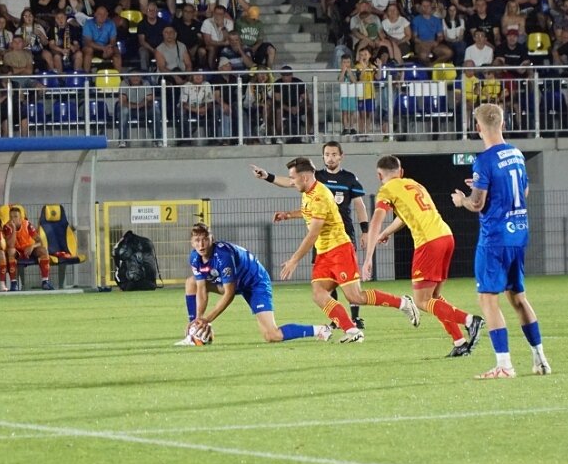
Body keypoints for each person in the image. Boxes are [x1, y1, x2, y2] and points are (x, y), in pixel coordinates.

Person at [271, 157, 420, 343]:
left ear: (305, 178)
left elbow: (313, 234)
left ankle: (403, 303)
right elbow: (309, 212)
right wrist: (288, 215)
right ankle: (351, 330)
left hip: (339, 249)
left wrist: (294, 260)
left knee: (355, 297)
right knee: (318, 294)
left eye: (293, 178)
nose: (291, 182)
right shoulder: (308, 192)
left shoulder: (320, 196)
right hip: (324, 253)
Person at [452, 103, 551, 378]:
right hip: (518, 233)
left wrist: (463, 201)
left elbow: (478, 204)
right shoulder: (517, 154)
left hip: (495, 237)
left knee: (487, 299)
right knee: (518, 297)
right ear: (503, 124)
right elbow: (524, 190)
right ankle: (540, 359)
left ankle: (504, 365)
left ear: (477, 128)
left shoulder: (484, 160)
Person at [362, 155, 485, 357]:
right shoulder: (413, 184)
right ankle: (460, 342)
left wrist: (368, 257)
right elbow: (404, 216)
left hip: (429, 242)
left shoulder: (386, 190)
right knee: (434, 297)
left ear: (379, 175)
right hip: (446, 236)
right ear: (400, 172)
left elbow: (376, 221)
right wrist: (386, 233)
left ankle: (470, 321)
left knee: (421, 301)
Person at [252, 141, 370, 328]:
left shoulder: (348, 179)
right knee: (323, 286)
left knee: (350, 287)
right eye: (327, 154)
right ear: (323, 157)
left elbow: (359, 205)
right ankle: (341, 321)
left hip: (342, 235)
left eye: (333, 154)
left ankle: (354, 318)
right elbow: (291, 183)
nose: (330, 157)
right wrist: (268, 177)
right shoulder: (316, 178)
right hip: (322, 241)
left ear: (341, 156)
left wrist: (365, 230)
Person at [180, 222, 333, 345]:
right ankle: (194, 331)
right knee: (192, 282)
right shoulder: (194, 258)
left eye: (205, 239)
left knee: (272, 335)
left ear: (212, 238)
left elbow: (229, 293)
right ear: (192, 243)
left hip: (255, 283)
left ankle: (320, 329)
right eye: (197, 240)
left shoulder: (223, 256)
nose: (201, 244)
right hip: (236, 282)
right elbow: (201, 288)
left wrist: (208, 319)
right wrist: (199, 319)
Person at [2, 206, 53, 291]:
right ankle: (14, 283)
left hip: (29, 249)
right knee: (11, 251)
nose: (13, 219)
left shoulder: (27, 224)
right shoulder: (7, 227)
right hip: (16, 251)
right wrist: (13, 229)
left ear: (20, 217)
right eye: (11, 217)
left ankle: (45, 282)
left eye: (15, 216)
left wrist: (32, 246)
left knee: (43, 250)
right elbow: (10, 245)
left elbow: (40, 241)